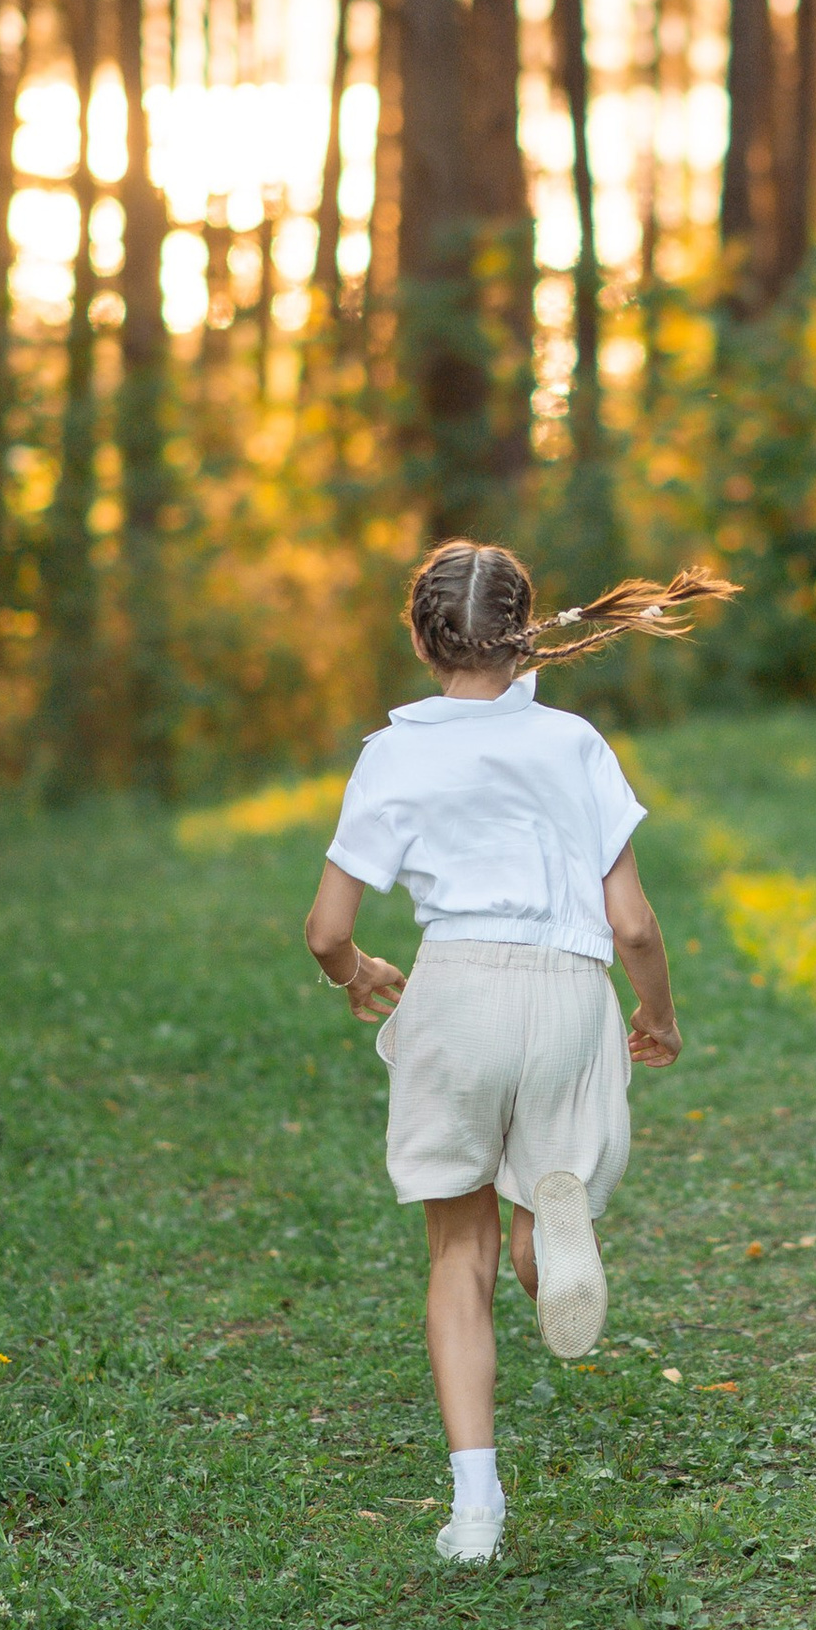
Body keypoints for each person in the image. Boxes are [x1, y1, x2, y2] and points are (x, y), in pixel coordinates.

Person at [304, 540, 738, 1564]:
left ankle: (475, 1509)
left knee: (460, 1256)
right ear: (523, 630)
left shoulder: (393, 751)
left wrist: (357, 971)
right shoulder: (573, 742)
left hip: (455, 990)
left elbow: (327, 929)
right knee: (546, 1195)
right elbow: (630, 920)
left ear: (421, 637)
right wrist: (659, 1016)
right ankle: (555, 1236)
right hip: (568, 998)